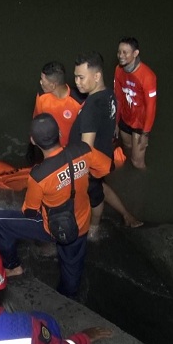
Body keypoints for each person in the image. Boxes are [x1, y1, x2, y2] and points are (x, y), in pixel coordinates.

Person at [0, 114, 112, 298]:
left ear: (33, 141)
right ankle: (67, 298)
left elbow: (30, 211)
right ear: (60, 133)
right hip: (81, 224)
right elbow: (106, 168)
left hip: (51, 227)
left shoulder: (38, 175)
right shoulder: (83, 150)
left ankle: (13, 267)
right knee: (72, 273)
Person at [70, 51, 140, 239]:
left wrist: (79, 171)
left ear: (97, 75)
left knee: (95, 195)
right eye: (75, 76)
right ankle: (127, 215)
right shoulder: (108, 94)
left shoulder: (92, 107)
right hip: (104, 154)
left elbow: (86, 149)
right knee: (100, 187)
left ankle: (94, 229)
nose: (77, 82)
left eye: (81, 77)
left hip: (91, 164)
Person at [27, 61, 85, 165]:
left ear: (53, 85)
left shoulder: (79, 102)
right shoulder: (41, 97)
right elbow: (36, 125)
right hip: (49, 152)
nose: (40, 82)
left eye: (43, 80)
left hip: (71, 152)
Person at [114, 36, 158, 170]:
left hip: (140, 123)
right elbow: (118, 97)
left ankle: (146, 181)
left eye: (125, 52)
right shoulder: (118, 70)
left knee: (137, 162)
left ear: (135, 53)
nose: (121, 56)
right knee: (127, 147)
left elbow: (151, 106)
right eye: (119, 52)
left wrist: (145, 133)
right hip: (125, 118)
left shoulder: (148, 76)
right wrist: (115, 122)